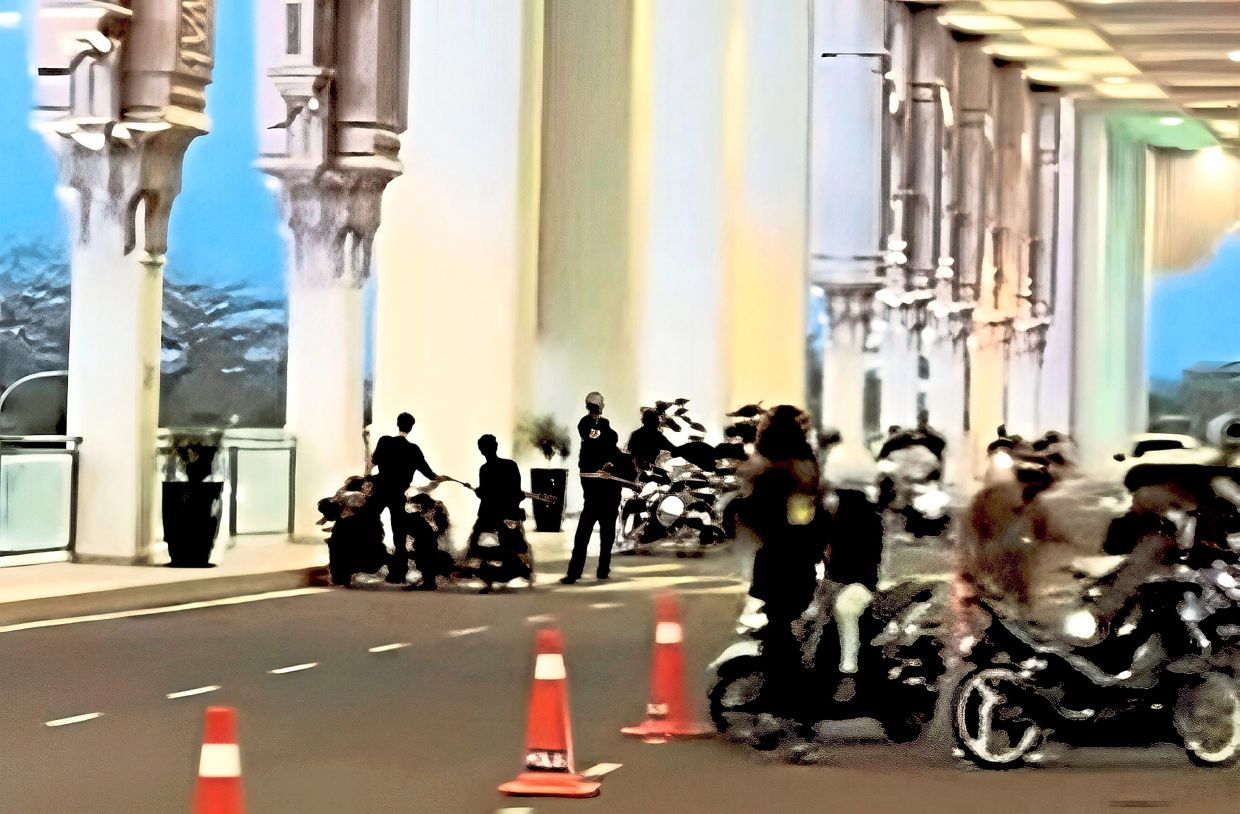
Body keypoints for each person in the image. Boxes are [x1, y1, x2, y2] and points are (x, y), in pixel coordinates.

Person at [371, 412, 443, 585]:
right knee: (399, 535)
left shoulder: (384, 441)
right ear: (411, 428)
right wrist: (438, 477)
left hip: (380, 491)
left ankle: (370, 555)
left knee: (369, 521)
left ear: (397, 424)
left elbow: (374, 459)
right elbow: (429, 473)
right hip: (397, 494)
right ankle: (399, 573)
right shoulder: (413, 450)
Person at [562, 426, 635, 584]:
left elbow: (631, 480)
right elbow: (584, 472)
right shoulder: (592, 455)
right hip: (595, 502)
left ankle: (592, 571)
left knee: (599, 538)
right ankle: (582, 572)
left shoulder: (620, 457)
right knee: (587, 538)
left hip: (603, 503)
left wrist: (613, 472)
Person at [468, 434, 531, 593]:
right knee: (512, 545)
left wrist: (478, 492)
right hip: (507, 513)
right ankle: (519, 569)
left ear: (481, 450)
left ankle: (488, 577)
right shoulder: (510, 465)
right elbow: (517, 492)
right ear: (496, 447)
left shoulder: (485, 469)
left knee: (476, 545)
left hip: (488, 515)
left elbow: (484, 494)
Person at [627, 407, 674, 474]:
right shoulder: (657, 436)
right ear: (654, 421)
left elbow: (629, 450)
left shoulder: (636, 433)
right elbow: (673, 449)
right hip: (648, 470)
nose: (659, 422)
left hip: (633, 470)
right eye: (658, 419)